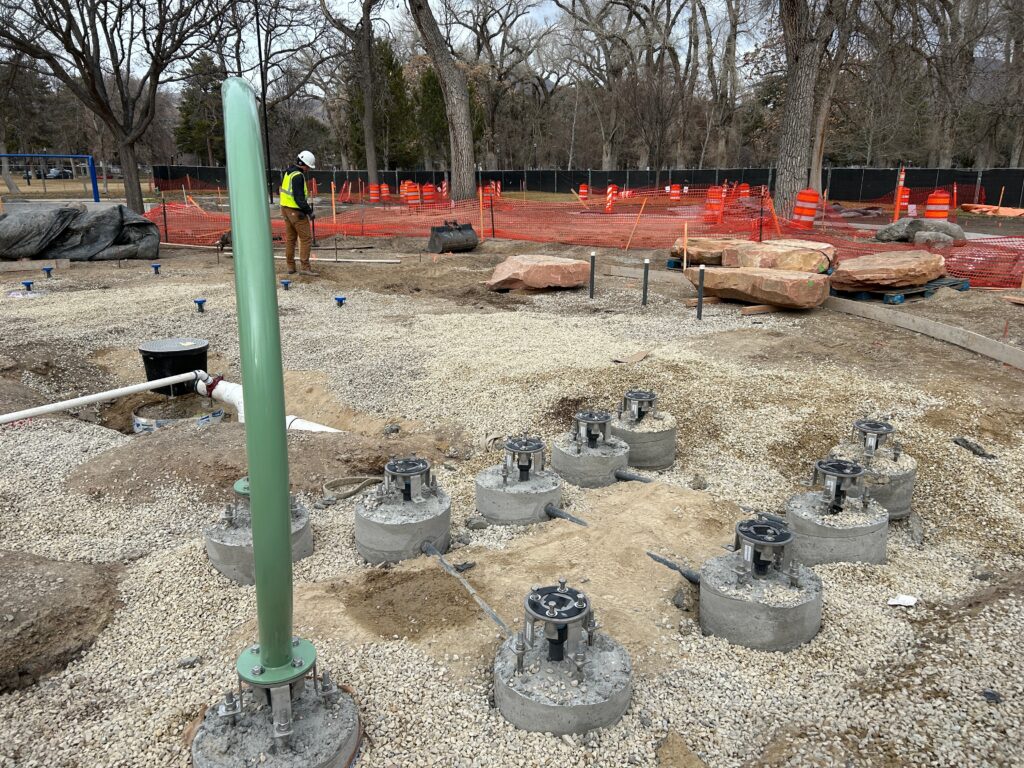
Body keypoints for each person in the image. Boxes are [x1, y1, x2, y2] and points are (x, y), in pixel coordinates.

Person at [280, 150, 318, 275]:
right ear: (304, 164)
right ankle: (305, 268)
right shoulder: (298, 176)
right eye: (308, 166)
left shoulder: (288, 172)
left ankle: (290, 266)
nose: (308, 169)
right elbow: (299, 198)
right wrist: (309, 211)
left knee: (291, 239)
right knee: (306, 238)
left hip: (285, 209)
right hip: (296, 211)